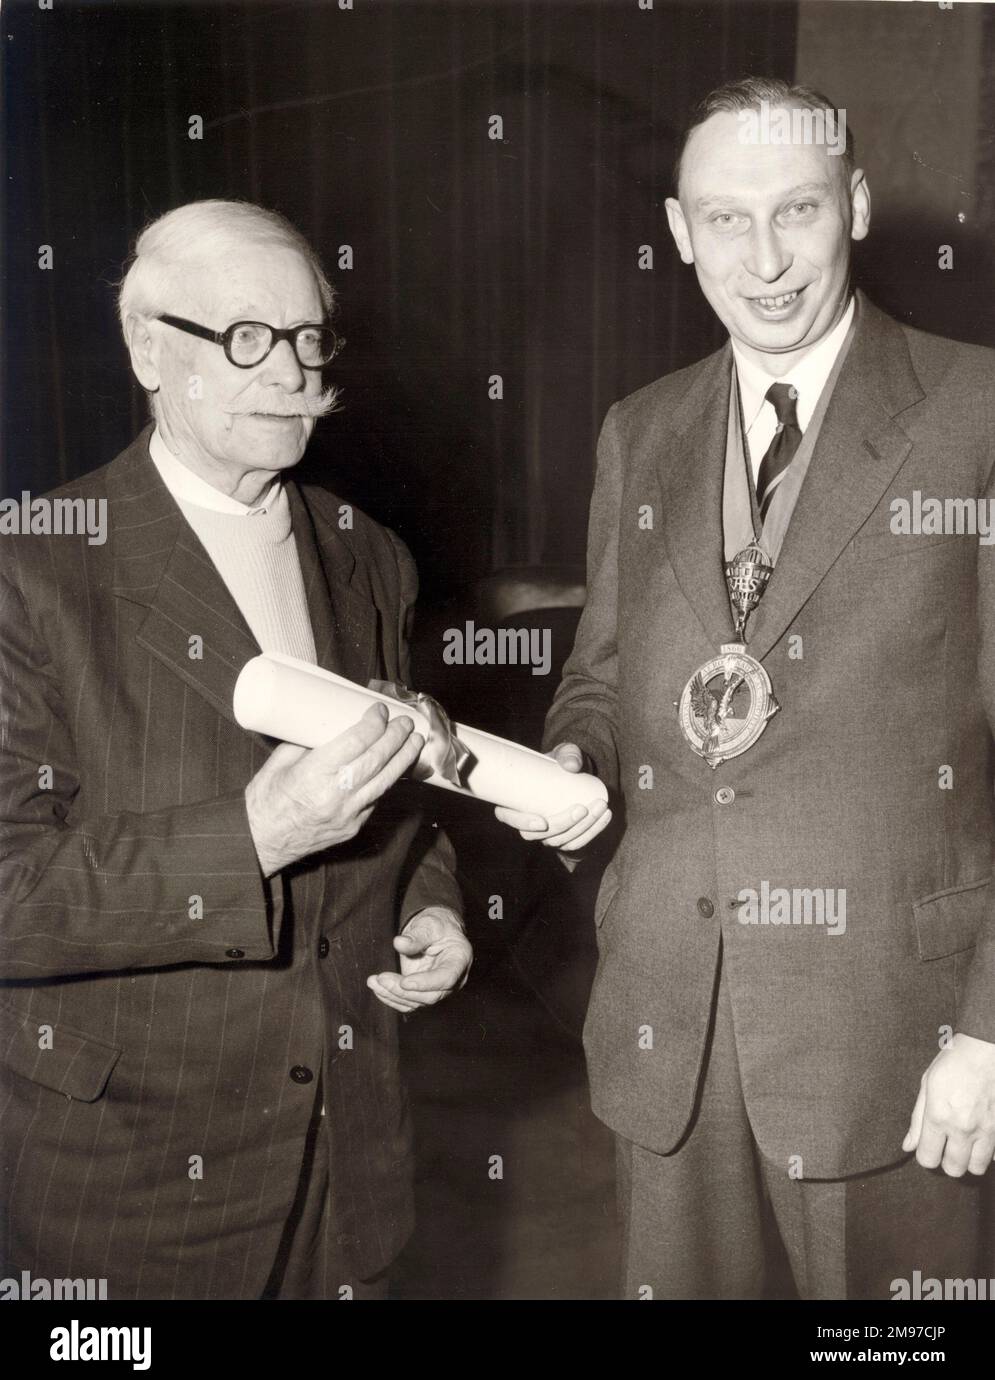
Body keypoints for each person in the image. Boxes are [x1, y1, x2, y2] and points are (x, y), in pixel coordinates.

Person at [498, 78, 995, 1299]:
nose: (764, 260)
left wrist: (987, 1029)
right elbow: (601, 678)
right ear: (676, 230)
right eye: (725, 220)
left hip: (896, 1031)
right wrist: (572, 759)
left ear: (857, 207)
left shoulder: (977, 409)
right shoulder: (639, 429)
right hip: (669, 1024)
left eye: (797, 212)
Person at [0, 199, 471, 1300]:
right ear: (148, 350)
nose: (293, 372)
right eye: (248, 338)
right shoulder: (33, 571)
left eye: (310, 338)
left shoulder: (369, 555)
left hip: (351, 1161)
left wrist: (429, 904)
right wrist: (255, 834)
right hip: (131, 1188)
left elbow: (403, 804)